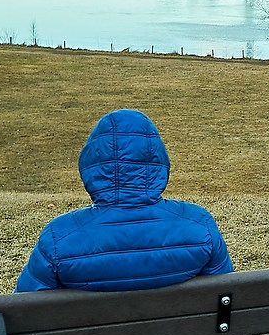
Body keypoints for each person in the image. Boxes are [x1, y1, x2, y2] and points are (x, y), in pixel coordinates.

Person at [16, 109, 232, 292]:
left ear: (93, 163)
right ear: (158, 159)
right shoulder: (199, 224)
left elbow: (25, 307)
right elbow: (225, 291)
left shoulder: (58, 236)